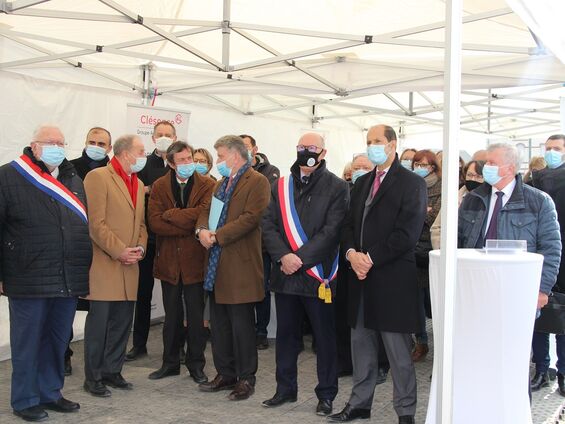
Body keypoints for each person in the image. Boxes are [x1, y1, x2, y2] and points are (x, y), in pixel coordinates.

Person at [329, 125, 427, 424]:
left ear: (392, 145)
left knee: (398, 354)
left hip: (392, 281)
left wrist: (369, 258)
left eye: (377, 141)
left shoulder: (411, 183)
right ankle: (360, 404)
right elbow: (346, 227)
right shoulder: (361, 183)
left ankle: (405, 412)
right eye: (368, 141)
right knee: (361, 348)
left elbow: (407, 234)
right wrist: (350, 255)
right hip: (360, 280)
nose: (372, 146)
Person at [0, 124, 92, 421]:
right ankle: (25, 399)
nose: (56, 146)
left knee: (56, 339)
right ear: (34, 145)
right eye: (50, 142)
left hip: (66, 277)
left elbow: (80, 226)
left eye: (61, 142)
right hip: (28, 275)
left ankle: (50, 392)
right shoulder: (8, 176)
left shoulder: (71, 177)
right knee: (28, 341)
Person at [458, 142, 561, 397]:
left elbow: (551, 249)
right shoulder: (473, 200)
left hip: (516, 293)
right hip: (476, 293)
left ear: (511, 167)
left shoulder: (538, 202)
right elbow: (459, 243)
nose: (486, 168)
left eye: (492, 163)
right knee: (478, 358)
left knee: (513, 361)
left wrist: (542, 290)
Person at [261, 133, 349, 416]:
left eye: (311, 148)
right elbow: (268, 224)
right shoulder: (280, 185)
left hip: (317, 275)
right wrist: (282, 257)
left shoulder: (337, 187)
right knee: (286, 336)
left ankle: (326, 394)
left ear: (323, 152)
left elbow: (332, 231)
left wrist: (298, 259)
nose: (306, 152)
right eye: (301, 147)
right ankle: (285, 389)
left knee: (324, 339)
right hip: (285, 275)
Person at [196, 135, 270, 401]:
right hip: (216, 265)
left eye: (220, 156)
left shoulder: (258, 182)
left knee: (242, 327)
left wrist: (218, 236)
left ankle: (246, 378)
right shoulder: (220, 184)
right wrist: (202, 231)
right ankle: (225, 373)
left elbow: (252, 218)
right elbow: (205, 210)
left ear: (236, 156)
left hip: (240, 265)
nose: (218, 162)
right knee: (220, 325)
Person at [83, 134, 148, 397]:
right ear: (125, 153)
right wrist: (119, 251)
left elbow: (141, 225)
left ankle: (112, 370)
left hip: (130, 265)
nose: (144, 156)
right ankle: (94, 377)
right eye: (141, 151)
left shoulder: (138, 182)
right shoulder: (98, 177)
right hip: (105, 264)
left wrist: (140, 248)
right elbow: (95, 223)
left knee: (122, 324)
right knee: (99, 325)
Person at [147, 141, 215, 383]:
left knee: (197, 319)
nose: (189, 164)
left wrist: (171, 215)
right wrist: (187, 222)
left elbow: (204, 216)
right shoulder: (159, 185)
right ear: (171, 163)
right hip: (169, 263)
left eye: (191, 159)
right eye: (183, 160)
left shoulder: (208, 184)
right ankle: (170, 363)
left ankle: (196, 365)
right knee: (172, 317)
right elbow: (154, 223)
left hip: (197, 262)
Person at [64, 126, 112, 376]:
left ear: (109, 148)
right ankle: (64, 354)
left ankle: (100, 358)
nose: (96, 146)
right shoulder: (68, 168)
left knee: (100, 308)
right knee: (68, 306)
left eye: (101, 143)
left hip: (103, 250)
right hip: (73, 246)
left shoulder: (115, 172)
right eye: (92, 141)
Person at [126, 121, 175, 361]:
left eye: (168, 134)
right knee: (142, 294)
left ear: (175, 137)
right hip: (148, 237)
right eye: (160, 134)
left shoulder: (181, 164)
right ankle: (139, 344)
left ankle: (176, 348)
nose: (164, 138)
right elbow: (135, 192)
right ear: (153, 138)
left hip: (172, 239)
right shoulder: (143, 163)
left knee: (175, 296)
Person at [530, 135, 565, 394]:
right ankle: (544, 369)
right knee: (539, 317)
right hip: (540, 258)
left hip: (552, 258)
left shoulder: (534, 182)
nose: (552, 152)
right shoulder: (533, 183)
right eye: (549, 148)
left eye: (557, 149)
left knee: (559, 317)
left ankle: (558, 371)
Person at [241, 134, 280, 350]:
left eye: (246, 147)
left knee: (262, 289)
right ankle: (246, 328)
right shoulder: (231, 173)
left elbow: (262, 207)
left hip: (262, 242)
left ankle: (261, 331)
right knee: (244, 287)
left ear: (255, 149)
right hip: (240, 242)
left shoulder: (270, 172)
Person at [411, 149, 442, 362]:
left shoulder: (443, 188)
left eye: (424, 164)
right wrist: (424, 211)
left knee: (435, 302)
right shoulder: (411, 185)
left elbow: (436, 220)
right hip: (412, 251)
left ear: (433, 166)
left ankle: (441, 346)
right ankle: (421, 342)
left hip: (432, 251)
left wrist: (421, 213)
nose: (420, 168)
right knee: (416, 302)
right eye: (417, 164)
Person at [430, 160, 485, 249]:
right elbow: (437, 227)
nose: (473, 179)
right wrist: (441, 250)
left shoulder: (488, 200)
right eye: (470, 175)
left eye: (478, 176)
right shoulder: (454, 197)